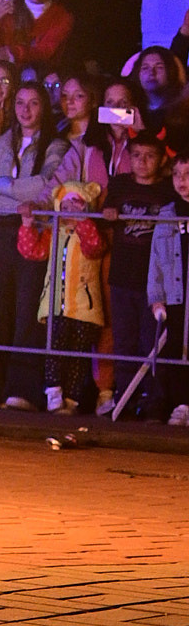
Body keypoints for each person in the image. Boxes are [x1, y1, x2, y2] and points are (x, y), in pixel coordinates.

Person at [0, 70, 56, 406]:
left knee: (27, 309)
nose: (25, 109)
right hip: (4, 228)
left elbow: (43, 186)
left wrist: (3, 186)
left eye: (34, 103)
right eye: (20, 102)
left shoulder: (56, 144)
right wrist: (15, 203)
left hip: (35, 230)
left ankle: (21, 390)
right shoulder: (5, 141)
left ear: (44, 108)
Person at [40, 69, 109, 413]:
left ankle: (101, 392)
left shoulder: (104, 139)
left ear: (93, 100)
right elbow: (49, 186)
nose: (69, 101)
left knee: (95, 320)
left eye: (78, 95)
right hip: (66, 235)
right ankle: (60, 392)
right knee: (63, 321)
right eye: (64, 95)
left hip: (101, 232)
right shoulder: (59, 140)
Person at [105, 128, 174, 420]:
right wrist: (109, 210)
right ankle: (124, 396)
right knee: (124, 341)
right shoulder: (120, 184)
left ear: (160, 160)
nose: (142, 162)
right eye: (136, 156)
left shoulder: (167, 189)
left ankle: (153, 401)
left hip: (154, 280)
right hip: (122, 275)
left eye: (149, 156)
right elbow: (107, 208)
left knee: (153, 341)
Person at [142, 155, 189, 428]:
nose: (181, 181)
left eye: (187, 174)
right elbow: (156, 261)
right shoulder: (168, 215)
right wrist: (155, 297)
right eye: (176, 174)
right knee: (173, 351)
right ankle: (174, 403)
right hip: (175, 296)